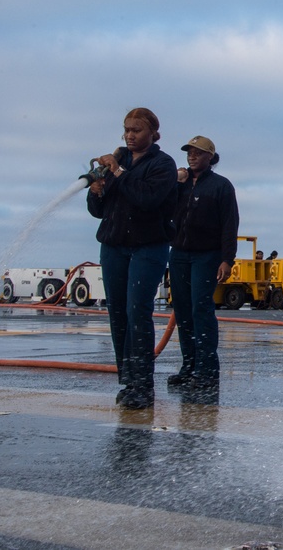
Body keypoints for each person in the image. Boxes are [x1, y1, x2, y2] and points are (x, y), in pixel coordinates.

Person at [87, 107, 178, 410]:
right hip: (113, 246)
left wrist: (117, 173)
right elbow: (98, 212)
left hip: (147, 247)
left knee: (137, 311)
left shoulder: (162, 165)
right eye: (126, 129)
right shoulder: (118, 162)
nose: (129, 135)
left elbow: (146, 199)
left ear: (153, 134)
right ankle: (127, 380)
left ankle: (143, 384)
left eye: (136, 130)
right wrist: (97, 191)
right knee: (118, 314)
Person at [167, 135, 239, 393]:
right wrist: (175, 184)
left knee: (201, 310)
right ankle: (189, 367)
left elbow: (230, 225)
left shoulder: (221, 186)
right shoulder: (181, 184)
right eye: (189, 152)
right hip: (179, 253)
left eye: (198, 152)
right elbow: (164, 208)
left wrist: (227, 259)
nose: (192, 156)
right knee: (183, 311)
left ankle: (207, 371)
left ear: (210, 157)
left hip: (206, 255)